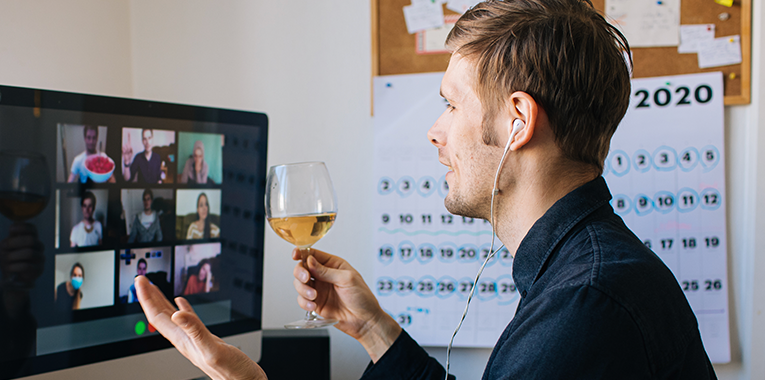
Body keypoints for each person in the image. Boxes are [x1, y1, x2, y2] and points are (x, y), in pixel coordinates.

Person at [135, 1, 717, 379]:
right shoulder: (587, 274)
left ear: (518, 121)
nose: (435, 132)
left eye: (450, 103)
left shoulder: (587, 305)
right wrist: (372, 327)